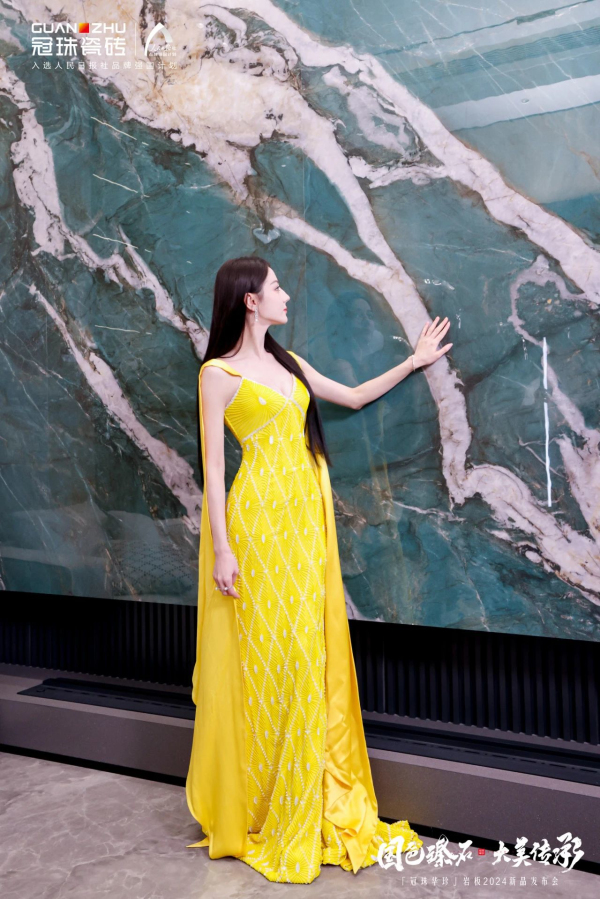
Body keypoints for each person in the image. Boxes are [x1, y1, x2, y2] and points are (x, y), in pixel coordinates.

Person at [185, 256, 452, 883]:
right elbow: (215, 470)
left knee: (308, 652)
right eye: (276, 287)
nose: (286, 295)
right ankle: (265, 801)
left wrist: (414, 361)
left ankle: (312, 789)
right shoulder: (217, 374)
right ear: (250, 300)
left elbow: (352, 397)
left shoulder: (289, 363)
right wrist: (223, 549)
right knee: (269, 659)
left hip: (305, 525)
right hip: (257, 527)